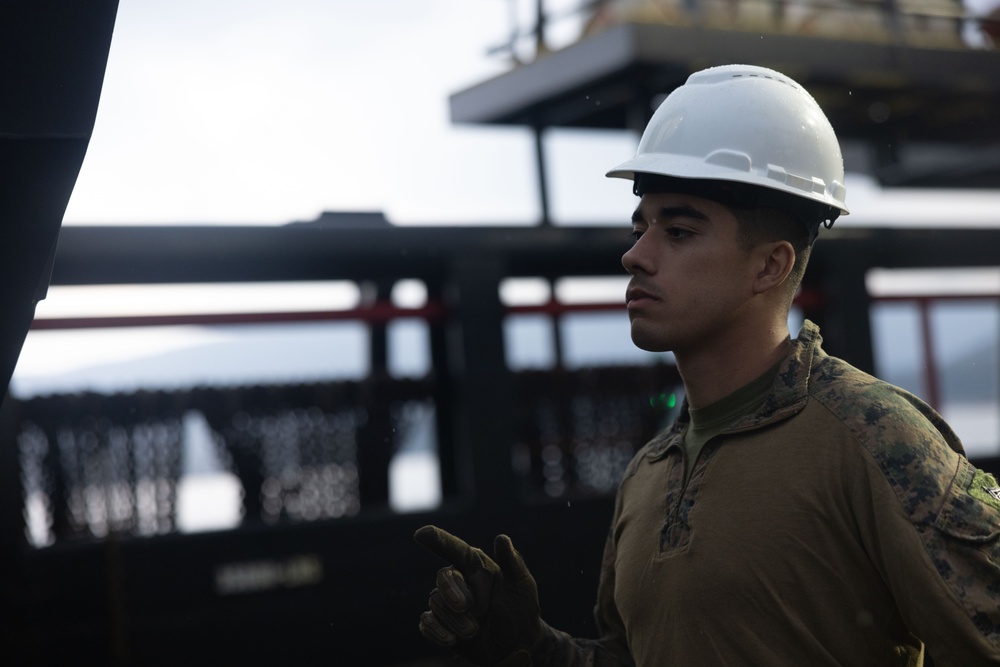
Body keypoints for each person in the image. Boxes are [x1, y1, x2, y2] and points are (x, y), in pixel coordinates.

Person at [414, 64, 1000, 666]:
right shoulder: (650, 470)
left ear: (769, 267)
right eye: (640, 226)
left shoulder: (875, 438)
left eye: (680, 231)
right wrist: (531, 648)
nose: (635, 256)